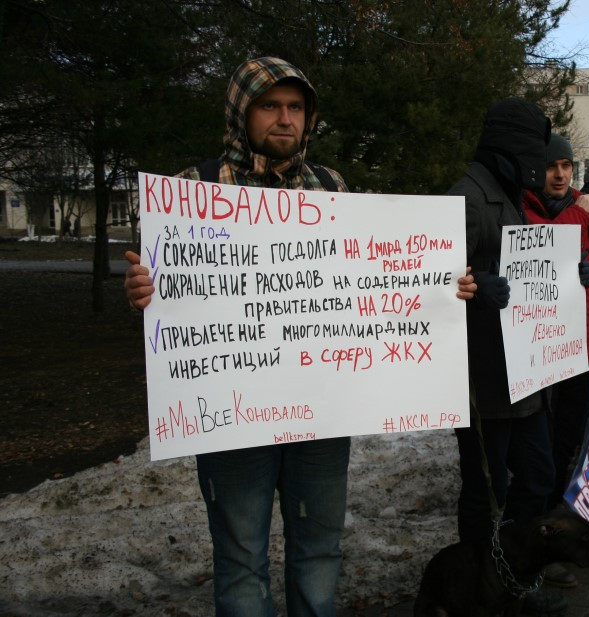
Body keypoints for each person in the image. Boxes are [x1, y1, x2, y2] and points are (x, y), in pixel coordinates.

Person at [123, 56, 477, 617]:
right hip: (230, 417)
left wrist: (440, 283)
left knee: (319, 547)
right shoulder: (194, 188)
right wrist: (144, 289)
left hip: (320, 413)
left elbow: (366, 275)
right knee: (241, 558)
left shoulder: (330, 186)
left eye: (296, 107)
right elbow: (168, 296)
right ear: (242, 112)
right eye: (270, 105)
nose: (285, 119)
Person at [447, 98, 567, 616]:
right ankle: (478, 591)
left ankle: (513, 579)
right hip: (485, 384)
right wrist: (477, 289)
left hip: (525, 374)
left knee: (537, 477)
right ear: (512, 146)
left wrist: (572, 278)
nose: (542, 164)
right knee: (485, 492)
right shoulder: (467, 199)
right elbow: (424, 285)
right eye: (535, 150)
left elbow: (531, 271)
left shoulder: (511, 194)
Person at [521, 134, 589, 525]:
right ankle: (536, 519)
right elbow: (546, 243)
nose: (559, 174)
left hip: (583, 348)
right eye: (551, 166)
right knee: (541, 447)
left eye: (566, 166)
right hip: (542, 351)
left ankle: (552, 513)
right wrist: (579, 216)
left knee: (569, 437)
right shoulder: (524, 209)